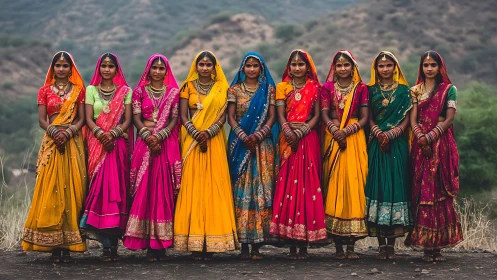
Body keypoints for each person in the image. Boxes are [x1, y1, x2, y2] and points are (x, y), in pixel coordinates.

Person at [22, 51, 87, 263]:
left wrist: (68, 133)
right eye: (57, 65)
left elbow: (82, 119)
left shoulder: (79, 91)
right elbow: (42, 120)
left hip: (72, 143)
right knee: (50, 188)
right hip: (51, 142)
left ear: (71, 69)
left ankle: (68, 244)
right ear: (53, 68)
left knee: (71, 189)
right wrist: (54, 132)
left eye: (65, 65)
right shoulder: (44, 91)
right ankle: (52, 245)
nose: (61, 69)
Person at [174, 51, 238, 260]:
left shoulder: (223, 88)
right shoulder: (187, 87)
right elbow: (183, 116)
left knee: (214, 186)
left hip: (214, 141)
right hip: (192, 141)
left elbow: (224, 118)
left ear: (214, 67)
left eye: (208, 64)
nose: (204, 68)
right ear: (196, 66)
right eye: (201, 64)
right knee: (193, 187)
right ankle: (193, 243)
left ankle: (212, 241)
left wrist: (208, 133)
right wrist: (195, 133)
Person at [269, 49, 327, 260]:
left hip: (307, 138)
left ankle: (304, 243)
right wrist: (287, 131)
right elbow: (280, 114)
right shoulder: (282, 87)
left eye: (301, 64)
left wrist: (301, 131)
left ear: (308, 67)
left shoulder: (315, 88)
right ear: (289, 67)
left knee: (307, 186)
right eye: (293, 64)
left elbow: (318, 116)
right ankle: (290, 240)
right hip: (287, 141)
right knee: (288, 186)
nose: (297, 68)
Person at [123, 54, 181, 261]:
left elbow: (175, 119)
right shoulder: (138, 91)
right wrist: (148, 136)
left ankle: (161, 245)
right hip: (144, 145)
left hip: (165, 146)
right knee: (144, 191)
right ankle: (146, 242)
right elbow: (136, 119)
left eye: (161, 68)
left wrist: (161, 135)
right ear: (148, 70)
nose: (157, 71)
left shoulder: (174, 93)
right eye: (154, 68)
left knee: (162, 192)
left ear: (166, 72)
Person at [408, 50, 462, 262]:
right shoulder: (415, 91)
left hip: (442, 145)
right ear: (421, 67)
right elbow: (413, 119)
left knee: (440, 192)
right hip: (421, 146)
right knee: (423, 193)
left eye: (433, 65)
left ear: (440, 67)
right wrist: (421, 138)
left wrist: (431, 136)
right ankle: (426, 247)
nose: (429, 68)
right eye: (426, 65)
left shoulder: (449, 90)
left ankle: (438, 246)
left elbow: (448, 119)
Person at [80, 53, 133, 262]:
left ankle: (114, 245)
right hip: (97, 145)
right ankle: (105, 244)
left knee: (116, 192)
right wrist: (101, 134)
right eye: (104, 65)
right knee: (99, 192)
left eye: (111, 66)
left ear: (117, 69)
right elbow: (87, 118)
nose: (107, 69)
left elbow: (128, 120)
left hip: (117, 146)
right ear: (99, 68)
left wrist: (114, 133)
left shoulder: (125, 91)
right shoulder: (91, 90)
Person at [227, 52, 279, 260]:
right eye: (248, 65)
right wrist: (242, 134)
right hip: (240, 145)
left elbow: (273, 116)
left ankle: (257, 244)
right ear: (242, 68)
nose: (251, 69)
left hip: (261, 145)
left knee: (260, 191)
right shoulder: (235, 90)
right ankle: (243, 245)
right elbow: (230, 117)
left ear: (261, 69)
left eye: (255, 66)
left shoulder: (268, 90)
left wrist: (258, 134)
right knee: (240, 190)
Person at [320, 50, 369, 259]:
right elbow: (323, 113)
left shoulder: (361, 88)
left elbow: (365, 117)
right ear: (335, 67)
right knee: (334, 186)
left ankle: (351, 246)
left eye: (346, 65)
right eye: (339, 65)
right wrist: (334, 130)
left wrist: (346, 131)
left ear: (353, 67)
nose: (342, 69)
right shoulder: (327, 88)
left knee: (354, 185)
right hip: (333, 138)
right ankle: (338, 246)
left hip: (354, 138)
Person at [365, 51, 413, 260]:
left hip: (397, 145)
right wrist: (377, 132)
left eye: (388, 65)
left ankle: (392, 244)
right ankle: (380, 244)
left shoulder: (405, 92)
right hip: (376, 144)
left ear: (395, 68)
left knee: (395, 187)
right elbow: (368, 118)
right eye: (381, 66)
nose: (385, 69)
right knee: (379, 187)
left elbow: (407, 118)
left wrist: (393, 133)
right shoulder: (370, 91)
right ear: (376, 69)